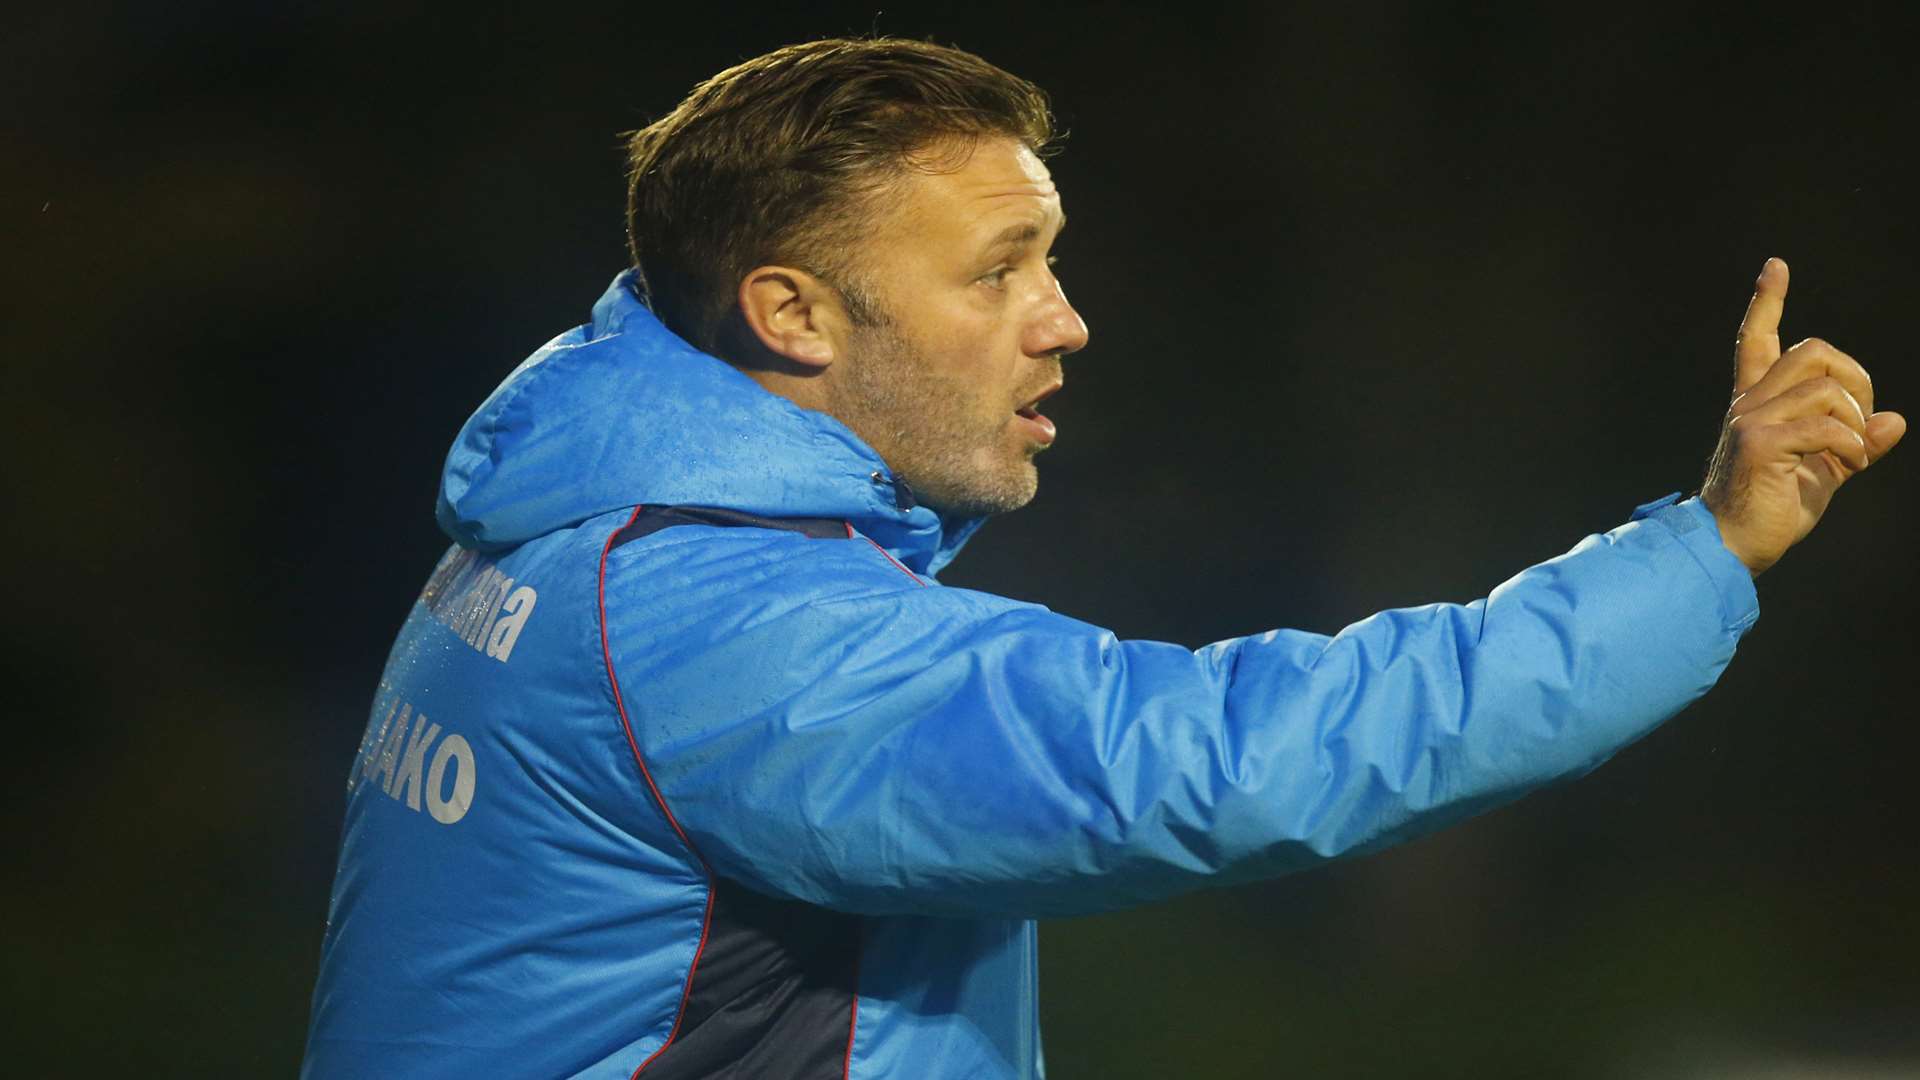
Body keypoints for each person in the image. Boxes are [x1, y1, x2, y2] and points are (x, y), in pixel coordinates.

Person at [302, 36, 1904, 1080]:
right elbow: (1228, 760)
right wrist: (1708, 548)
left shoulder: (565, 535)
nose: (1064, 322)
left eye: (1050, 259)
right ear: (788, 312)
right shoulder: (721, 624)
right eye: (1000, 272)